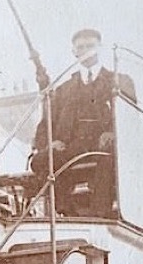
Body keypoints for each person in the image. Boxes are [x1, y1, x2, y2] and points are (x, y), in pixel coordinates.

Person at [31, 28, 136, 216]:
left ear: (100, 48)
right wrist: (49, 143)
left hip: (105, 146)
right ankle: (67, 212)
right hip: (74, 147)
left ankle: (99, 216)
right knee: (40, 161)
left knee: (107, 160)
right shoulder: (65, 89)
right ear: (74, 52)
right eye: (81, 47)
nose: (86, 50)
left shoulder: (119, 81)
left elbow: (132, 119)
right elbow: (45, 125)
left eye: (91, 46)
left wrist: (114, 133)